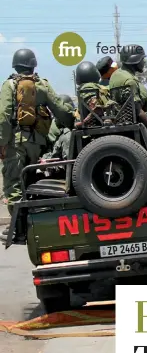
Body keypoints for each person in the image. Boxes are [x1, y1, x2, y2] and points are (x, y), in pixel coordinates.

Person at [0, 49, 76, 240]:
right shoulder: (42, 85)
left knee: (14, 185)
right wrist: (75, 125)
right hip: (37, 143)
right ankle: (35, 224)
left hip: (15, 144)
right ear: (33, 65)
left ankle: (18, 228)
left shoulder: (9, 85)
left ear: (15, 65)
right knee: (32, 182)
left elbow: (3, 118)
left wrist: (1, 143)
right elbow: (60, 109)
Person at [108, 44, 147, 142]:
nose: (144, 62)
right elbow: (138, 111)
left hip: (121, 121)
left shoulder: (115, 75)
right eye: (142, 59)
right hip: (135, 125)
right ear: (135, 61)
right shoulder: (130, 80)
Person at [76, 61, 119, 127]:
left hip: (97, 124)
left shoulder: (90, 87)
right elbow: (95, 107)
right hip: (99, 123)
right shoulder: (89, 87)